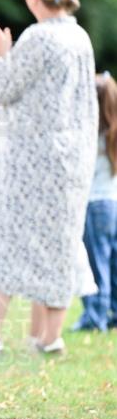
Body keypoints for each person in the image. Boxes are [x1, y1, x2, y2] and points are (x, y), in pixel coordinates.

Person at [0, 0, 97, 357]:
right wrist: (5, 51)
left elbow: (2, 88)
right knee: (58, 241)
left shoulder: (40, 36)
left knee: (4, 237)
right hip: (69, 159)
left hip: (28, 160)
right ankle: (47, 338)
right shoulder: (78, 36)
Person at [72, 72, 117, 332]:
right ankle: (113, 311)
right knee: (112, 262)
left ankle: (95, 317)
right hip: (113, 202)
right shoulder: (113, 137)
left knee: (95, 263)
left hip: (95, 206)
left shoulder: (90, 139)